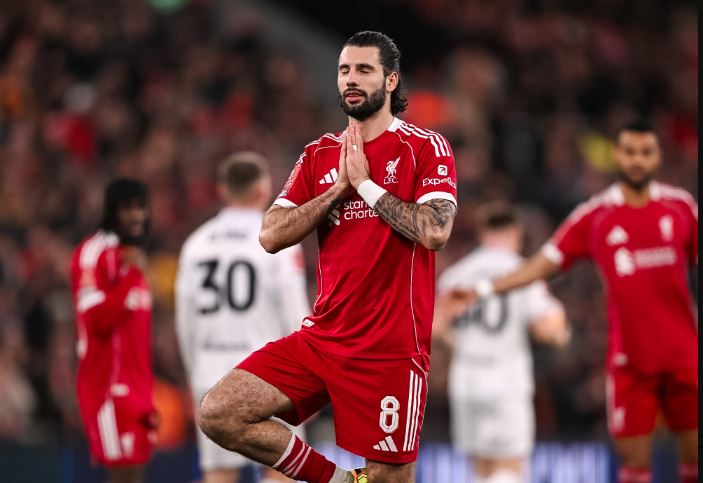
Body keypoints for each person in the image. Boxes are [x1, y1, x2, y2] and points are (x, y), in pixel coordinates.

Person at [196, 31, 458, 483]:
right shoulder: (319, 155)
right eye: (343, 70)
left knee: (388, 479)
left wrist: (367, 186)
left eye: (364, 70)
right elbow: (270, 234)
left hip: (390, 350)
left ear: (391, 80)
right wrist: (338, 190)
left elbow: (435, 231)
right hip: (323, 340)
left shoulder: (424, 147)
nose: (350, 79)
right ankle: (337, 482)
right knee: (220, 412)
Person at [449, 120, 698, 483]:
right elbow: (543, 268)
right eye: (630, 152)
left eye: (646, 152)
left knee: (692, 461)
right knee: (632, 466)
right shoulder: (596, 216)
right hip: (629, 363)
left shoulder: (680, 208)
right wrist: (488, 290)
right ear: (617, 155)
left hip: (683, 356)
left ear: (658, 156)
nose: (637, 160)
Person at [175, 152, 310, 483]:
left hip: (210, 371)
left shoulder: (195, 244)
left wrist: (195, 372)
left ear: (222, 190)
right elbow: (295, 315)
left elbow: (185, 322)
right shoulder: (279, 237)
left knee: (218, 473)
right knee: (283, 468)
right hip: (267, 373)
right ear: (263, 190)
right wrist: (308, 378)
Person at [433, 201, 570, 483]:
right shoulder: (523, 272)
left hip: (467, 379)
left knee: (481, 469)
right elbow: (546, 325)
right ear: (516, 233)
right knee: (510, 467)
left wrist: (457, 339)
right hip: (508, 379)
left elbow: (434, 326)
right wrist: (562, 334)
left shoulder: (456, 275)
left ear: (482, 233)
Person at [70, 178, 156, 483]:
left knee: (136, 474)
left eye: (141, 207)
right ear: (111, 211)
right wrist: (131, 275)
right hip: (108, 387)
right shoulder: (94, 253)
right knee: (121, 475)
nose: (136, 216)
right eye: (127, 208)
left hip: (139, 389)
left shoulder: (133, 256)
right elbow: (97, 322)